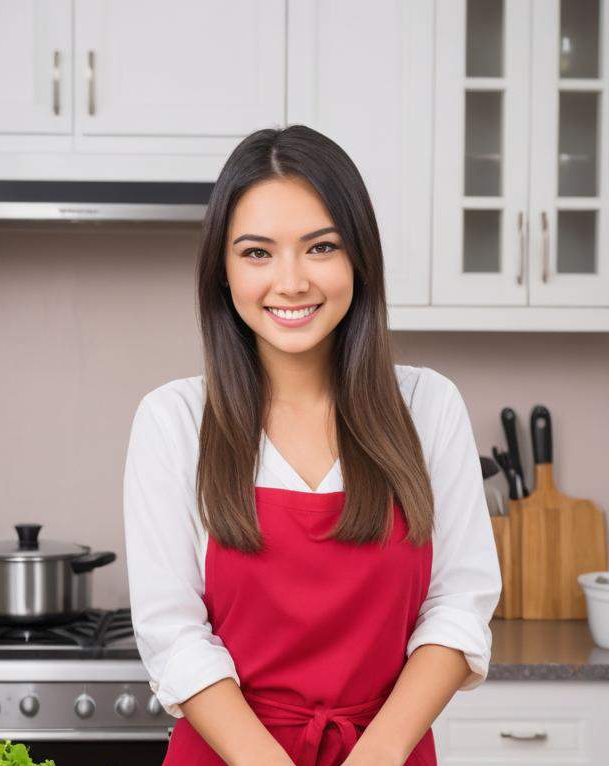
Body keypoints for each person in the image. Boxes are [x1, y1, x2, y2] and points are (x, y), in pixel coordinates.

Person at [122, 124, 502, 766]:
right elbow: (173, 634)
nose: (291, 282)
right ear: (223, 270)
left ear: (359, 256)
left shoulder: (428, 407)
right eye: (257, 253)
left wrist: (377, 753)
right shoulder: (175, 420)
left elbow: (459, 605)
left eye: (320, 246)